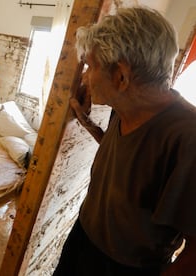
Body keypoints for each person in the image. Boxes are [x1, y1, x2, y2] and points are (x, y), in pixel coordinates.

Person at [54, 6, 196, 276]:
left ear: (121, 76)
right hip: (83, 239)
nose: (85, 78)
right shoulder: (124, 107)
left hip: (125, 269)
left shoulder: (187, 137)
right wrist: (88, 123)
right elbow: (128, 160)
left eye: (91, 67)